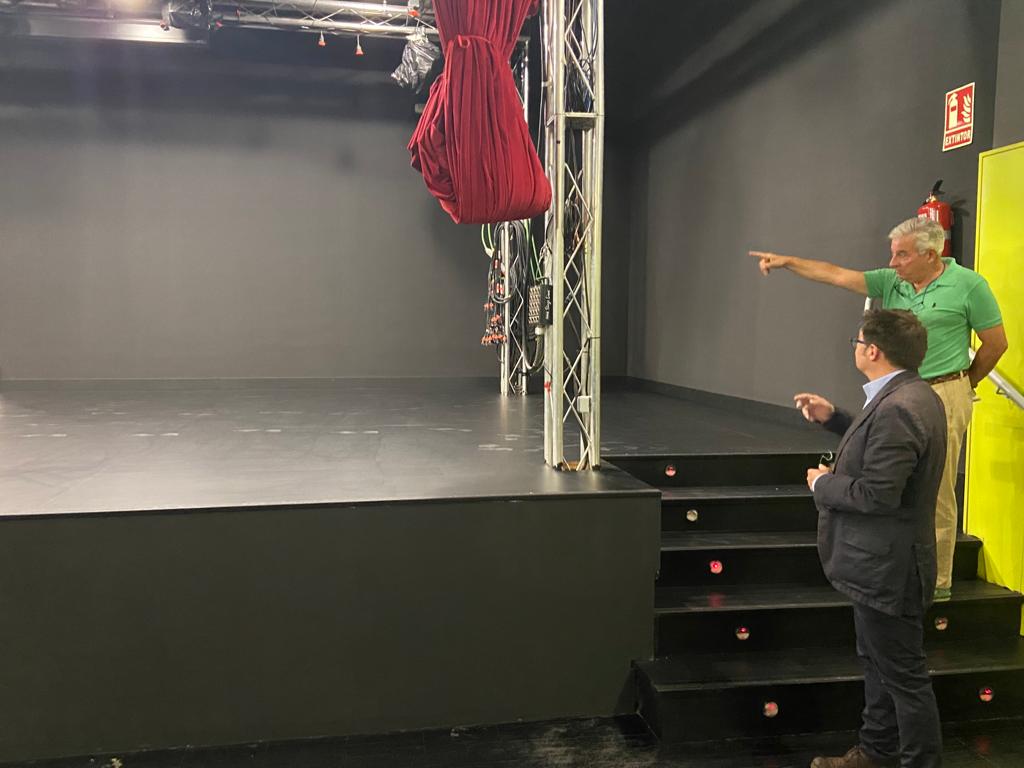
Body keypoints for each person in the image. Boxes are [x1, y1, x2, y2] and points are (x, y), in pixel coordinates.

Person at [751, 218, 1007, 601]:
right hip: (895, 388)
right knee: (880, 474)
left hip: (944, 390)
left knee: (936, 489)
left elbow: (995, 343)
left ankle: (936, 581)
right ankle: (889, 570)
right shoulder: (891, 282)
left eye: (902, 254)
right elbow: (835, 274)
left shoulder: (969, 285)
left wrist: (964, 383)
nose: (893, 262)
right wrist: (787, 261)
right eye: (893, 253)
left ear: (931, 254)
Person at [799, 309, 947, 768]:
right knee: (879, 666)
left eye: (857, 342)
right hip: (882, 567)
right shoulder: (910, 395)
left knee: (904, 678)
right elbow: (876, 445)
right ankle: (877, 752)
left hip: (889, 569)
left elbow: (878, 494)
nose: (857, 348)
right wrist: (835, 418)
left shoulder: (900, 407)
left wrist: (823, 484)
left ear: (873, 350)